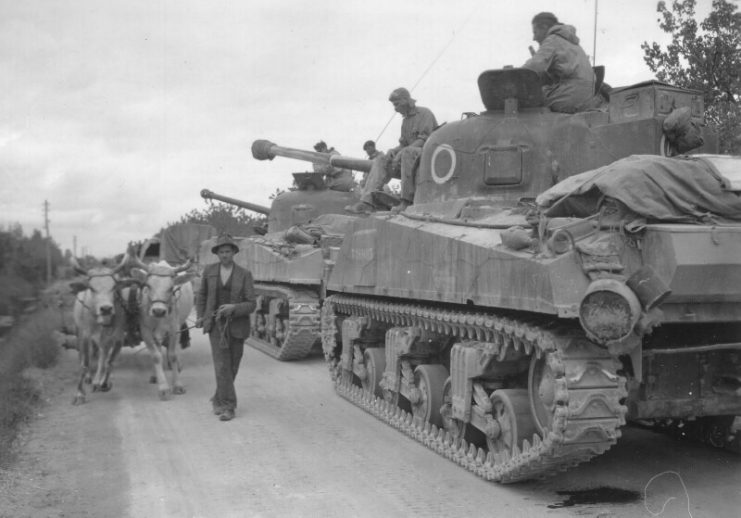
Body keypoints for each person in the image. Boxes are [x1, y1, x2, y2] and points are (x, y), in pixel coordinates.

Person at [346, 88, 437, 214]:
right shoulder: (406, 121)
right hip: (408, 155)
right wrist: (393, 151)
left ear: (406, 100)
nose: (395, 109)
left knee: (407, 152)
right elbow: (403, 144)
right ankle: (367, 202)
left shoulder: (424, 113)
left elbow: (424, 139)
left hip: (427, 155)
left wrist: (402, 151)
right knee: (381, 158)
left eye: (396, 104)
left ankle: (406, 201)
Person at [195, 234, 256, 422]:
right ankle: (229, 407)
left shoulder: (244, 274)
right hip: (216, 325)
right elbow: (202, 295)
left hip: (237, 326)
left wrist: (234, 308)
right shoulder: (209, 271)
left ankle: (218, 398)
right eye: (221, 252)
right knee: (222, 366)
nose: (224, 255)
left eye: (228, 251)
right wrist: (200, 316)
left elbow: (252, 303)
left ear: (234, 253)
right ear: (217, 254)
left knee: (233, 366)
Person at [523, 12, 605, 114]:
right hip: (585, 96)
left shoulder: (552, 40)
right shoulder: (568, 40)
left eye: (535, 32)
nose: (534, 38)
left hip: (570, 96)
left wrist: (513, 74)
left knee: (529, 101)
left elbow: (531, 68)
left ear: (544, 27)